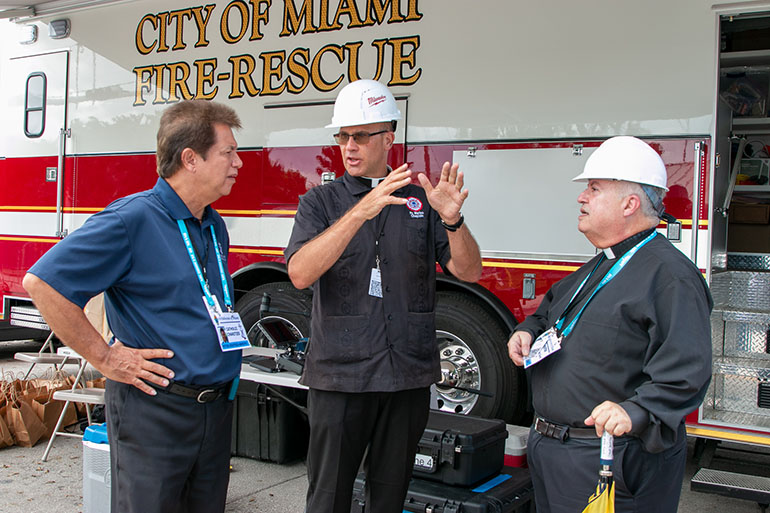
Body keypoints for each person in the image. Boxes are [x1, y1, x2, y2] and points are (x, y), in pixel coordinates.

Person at [23, 100, 246, 513]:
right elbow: (43, 284)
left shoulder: (212, 224)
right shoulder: (131, 220)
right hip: (156, 412)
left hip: (215, 412)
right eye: (228, 152)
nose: (239, 163)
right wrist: (105, 357)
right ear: (191, 159)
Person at [285, 79, 483, 513]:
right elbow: (299, 274)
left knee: (389, 497)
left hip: (405, 377)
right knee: (328, 498)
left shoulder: (420, 200)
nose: (349, 146)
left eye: (360, 135)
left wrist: (452, 221)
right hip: (340, 378)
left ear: (388, 138)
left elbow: (469, 270)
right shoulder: (320, 202)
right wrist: (360, 211)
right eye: (342, 136)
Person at [507, 136, 712, 513]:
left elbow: (686, 371)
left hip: (610, 458)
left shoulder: (670, 277)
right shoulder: (601, 264)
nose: (582, 197)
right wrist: (527, 331)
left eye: (594, 188)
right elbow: (550, 312)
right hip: (555, 453)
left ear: (629, 204)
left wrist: (635, 411)